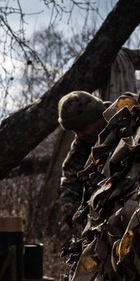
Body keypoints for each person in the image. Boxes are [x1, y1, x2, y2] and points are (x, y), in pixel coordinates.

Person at [56, 90, 108, 228]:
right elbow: (70, 182)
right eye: (75, 130)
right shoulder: (81, 148)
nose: (80, 134)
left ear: (98, 116)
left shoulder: (131, 119)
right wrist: (73, 216)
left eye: (83, 127)